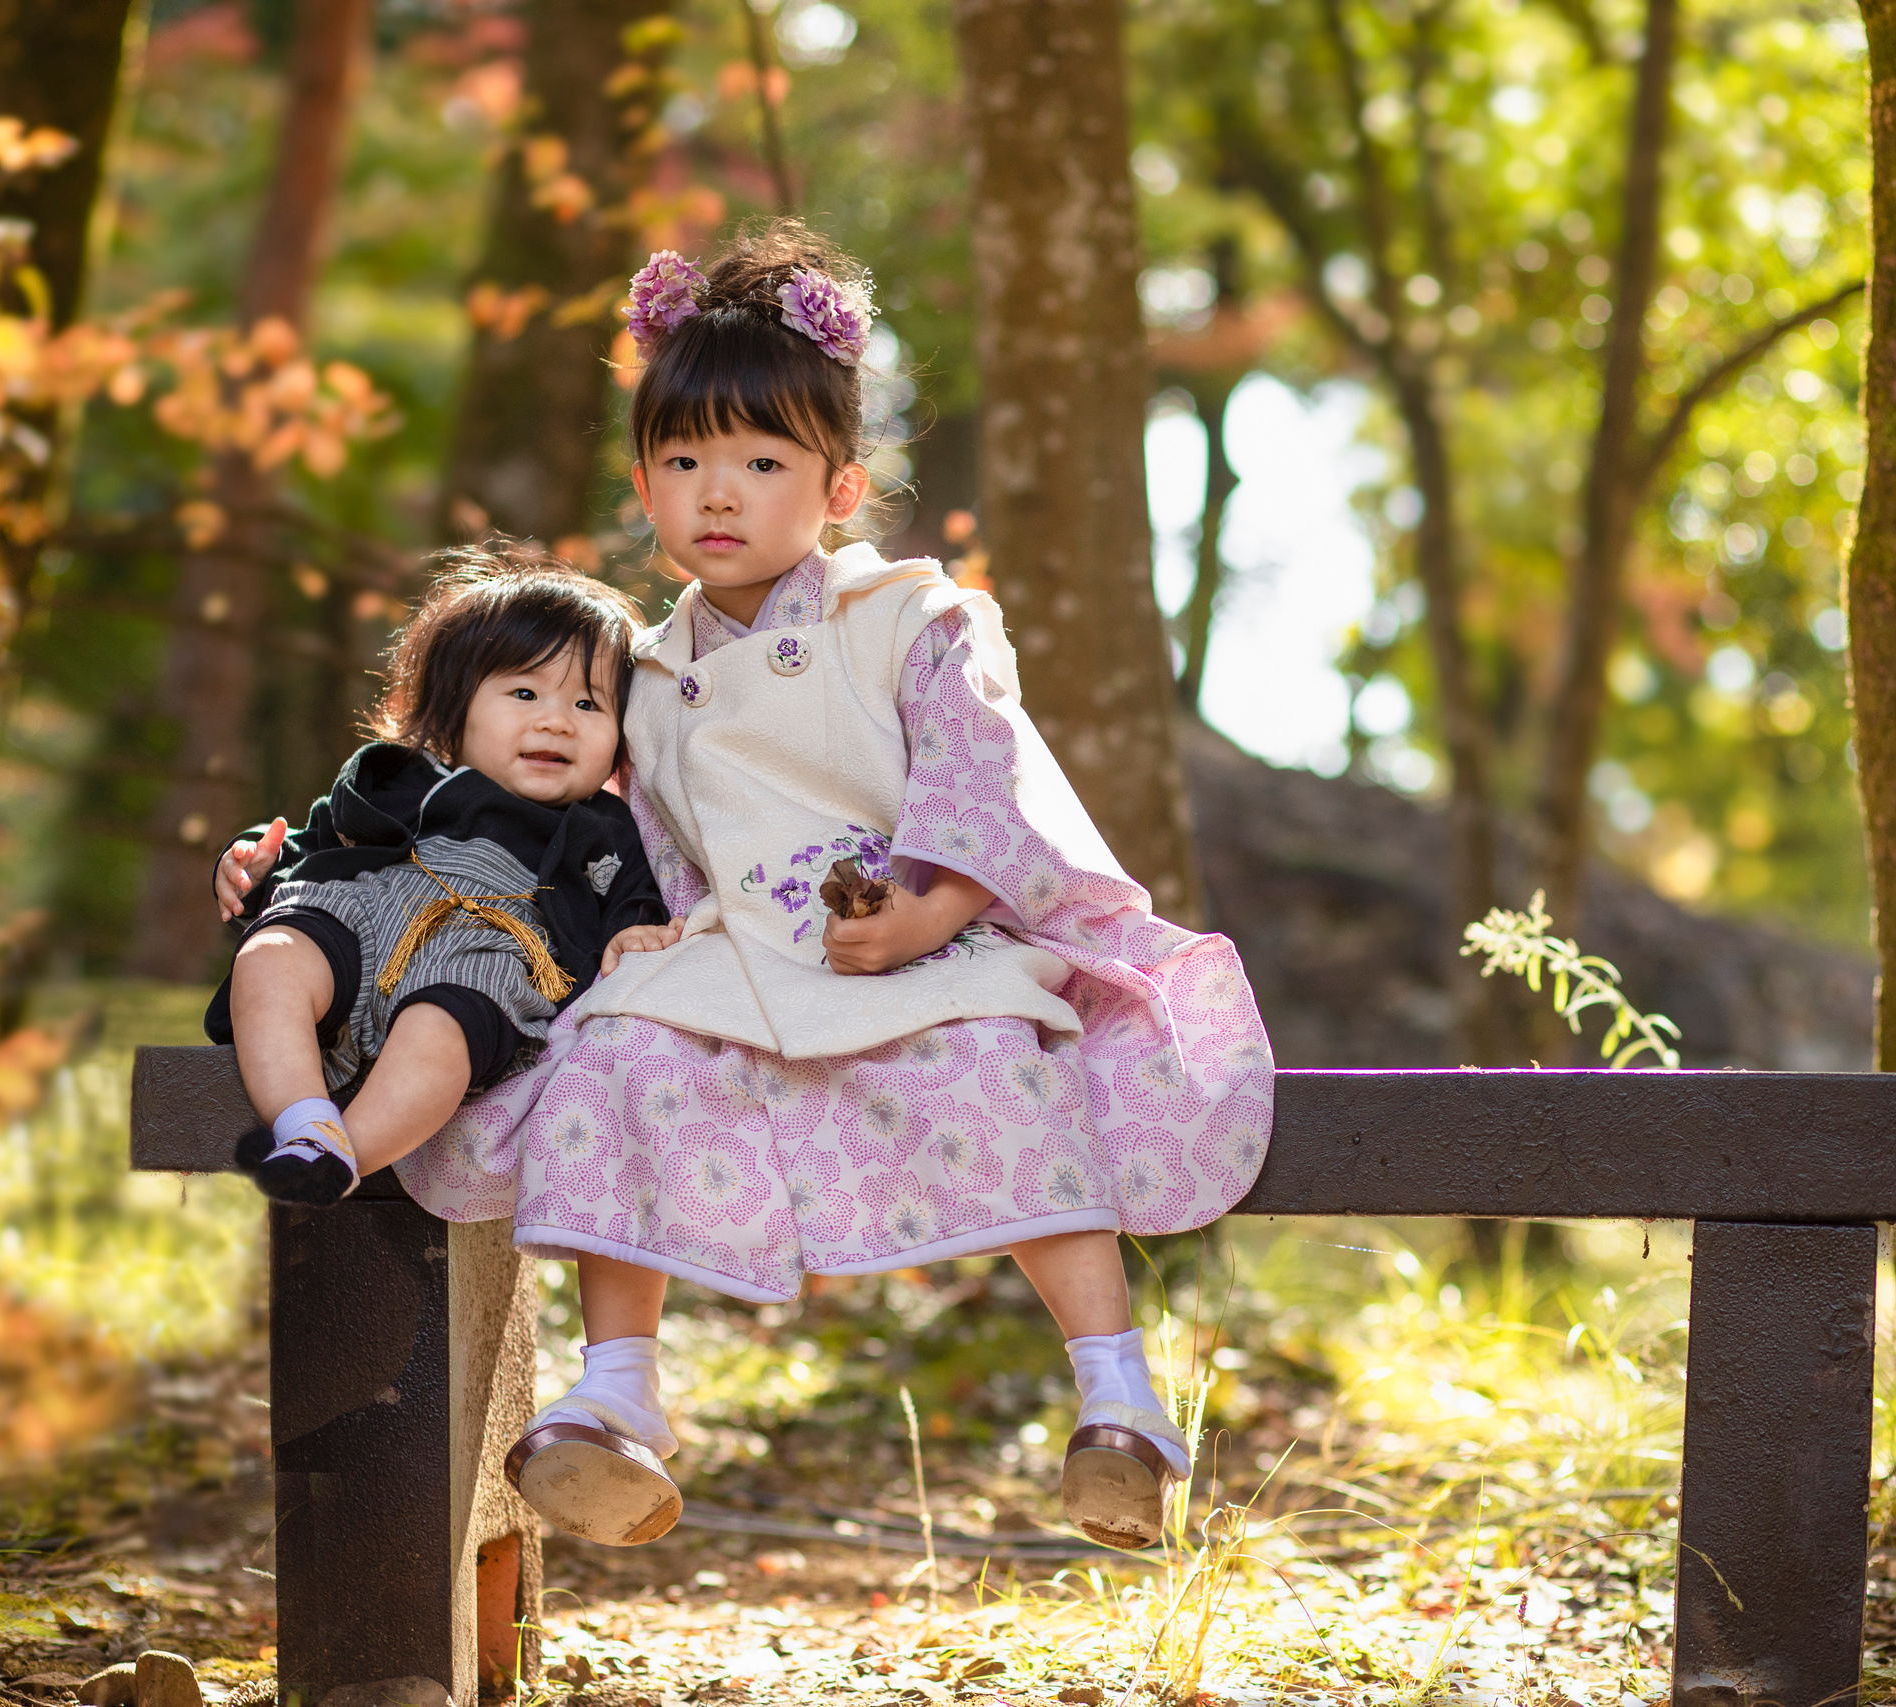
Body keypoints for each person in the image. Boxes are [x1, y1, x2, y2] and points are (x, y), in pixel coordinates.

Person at [394, 223, 1275, 1552]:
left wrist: (927, 910)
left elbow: (985, 780)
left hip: (922, 931)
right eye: (684, 461)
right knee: (616, 1056)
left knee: (1002, 1059)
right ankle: (618, 1390)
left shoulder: (913, 622)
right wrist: (628, 922)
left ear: (841, 482)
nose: (720, 491)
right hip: (734, 949)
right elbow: (587, 804)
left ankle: (1119, 1396)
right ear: (644, 484)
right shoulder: (640, 668)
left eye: (762, 460)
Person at [210, 550, 677, 1206]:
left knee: (442, 1029)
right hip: (368, 913)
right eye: (524, 693)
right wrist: (252, 868)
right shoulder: (407, 777)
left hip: (490, 954)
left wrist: (633, 934)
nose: (556, 719)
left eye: (587, 702)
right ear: (454, 709)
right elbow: (318, 844)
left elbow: (634, 897)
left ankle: (342, 1157)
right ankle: (304, 1123)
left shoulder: (600, 825)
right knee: (271, 956)